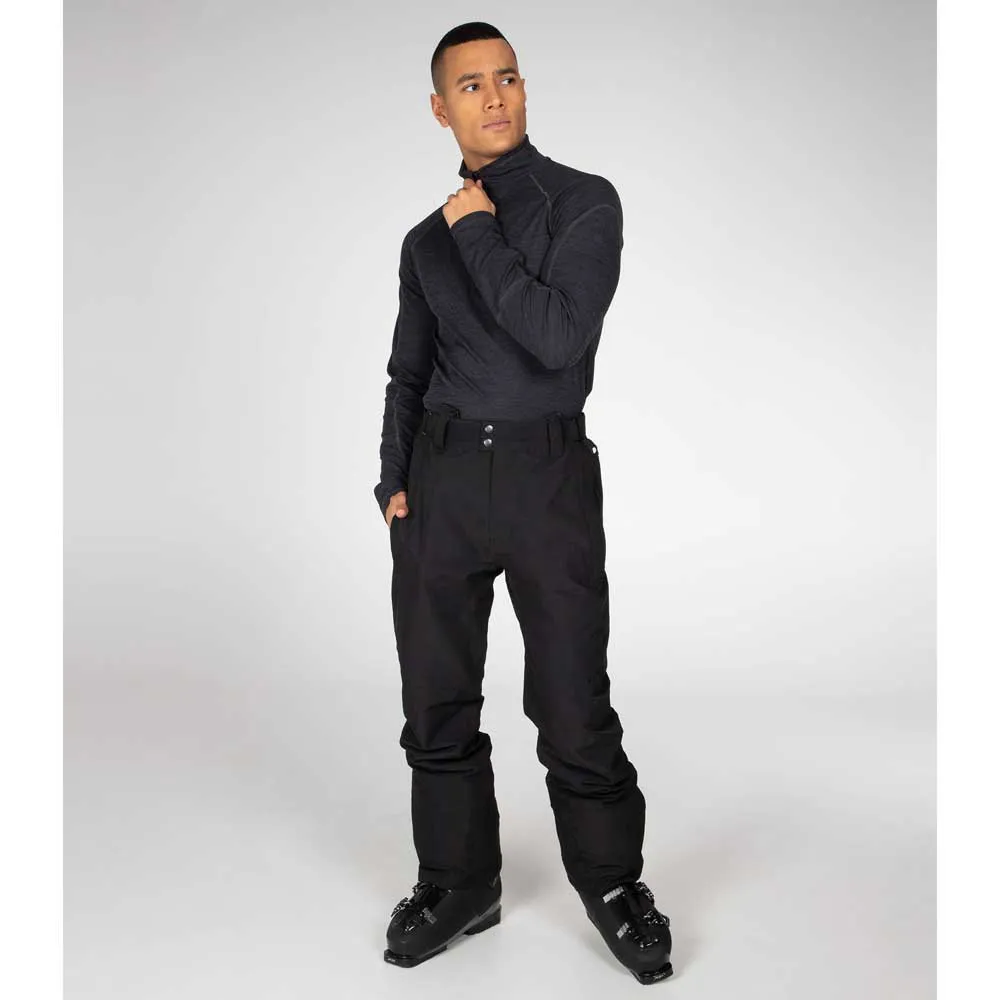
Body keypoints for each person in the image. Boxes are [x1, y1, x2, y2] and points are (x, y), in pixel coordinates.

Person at [374, 22, 672, 985]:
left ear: (525, 89)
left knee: (572, 698)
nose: (494, 96)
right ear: (440, 108)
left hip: (548, 476)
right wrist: (392, 479)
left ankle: (613, 884)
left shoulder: (583, 202)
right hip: (443, 482)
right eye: (471, 85)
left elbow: (556, 336)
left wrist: (478, 228)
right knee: (436, 699)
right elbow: (408, 370)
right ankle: (459, 881)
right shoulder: (424, 242)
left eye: (506, 77)